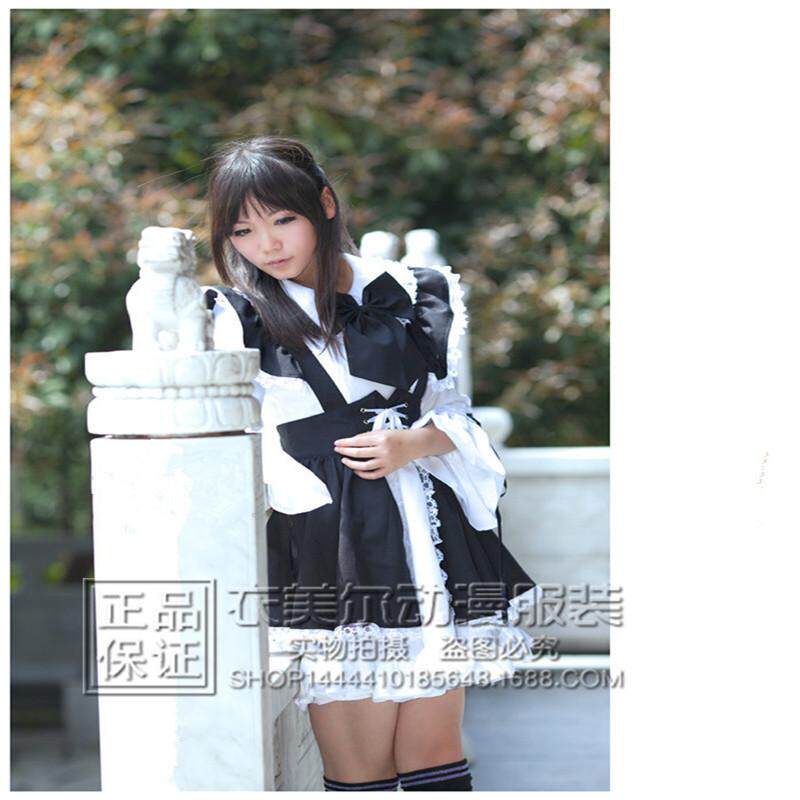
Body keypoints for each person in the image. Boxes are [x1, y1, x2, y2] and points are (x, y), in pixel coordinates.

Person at [202, 135, 542, 792]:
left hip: (428, 535)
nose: (266, 244)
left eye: (283, 219)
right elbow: (239, 443)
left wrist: (412, 444)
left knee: (436, 756)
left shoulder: (415, 291)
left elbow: (451, 412)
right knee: (360, 771)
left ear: (325, 205)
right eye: (242, 230)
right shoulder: (237, 316)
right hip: (331, 544)